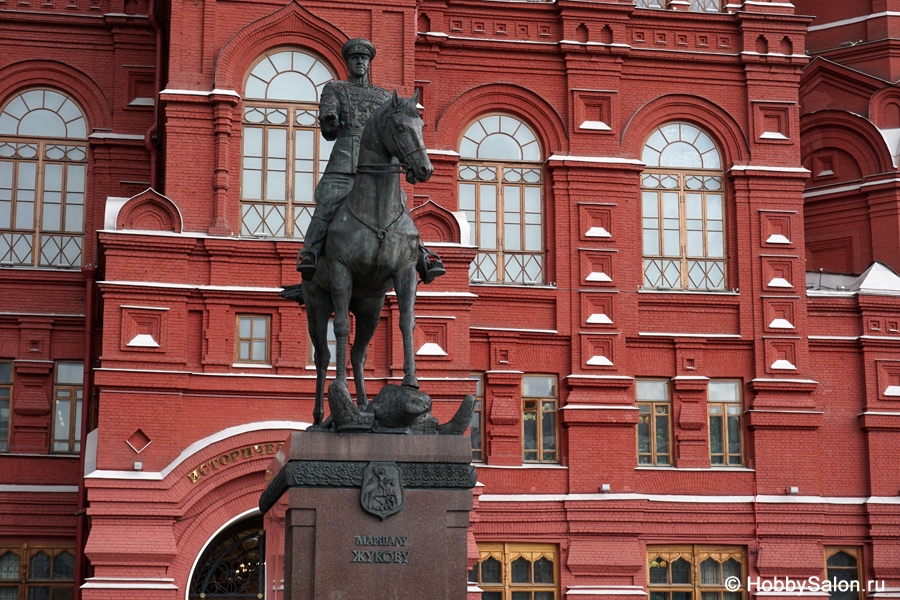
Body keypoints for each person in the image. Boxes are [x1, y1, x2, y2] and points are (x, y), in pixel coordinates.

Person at [297, 38, 445, 283]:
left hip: (380, 169)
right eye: (355, 58)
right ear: (348, 62)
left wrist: (407, 163)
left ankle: (422, 255)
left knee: (401, 205)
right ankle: (310, 252)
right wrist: (329, 118)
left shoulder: (385, 97)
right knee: (327, 202)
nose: (359, 62)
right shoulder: (335, 89)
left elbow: (394, 134)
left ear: (369, 63)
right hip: (344, 164)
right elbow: (328, 122)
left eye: (363, 59)